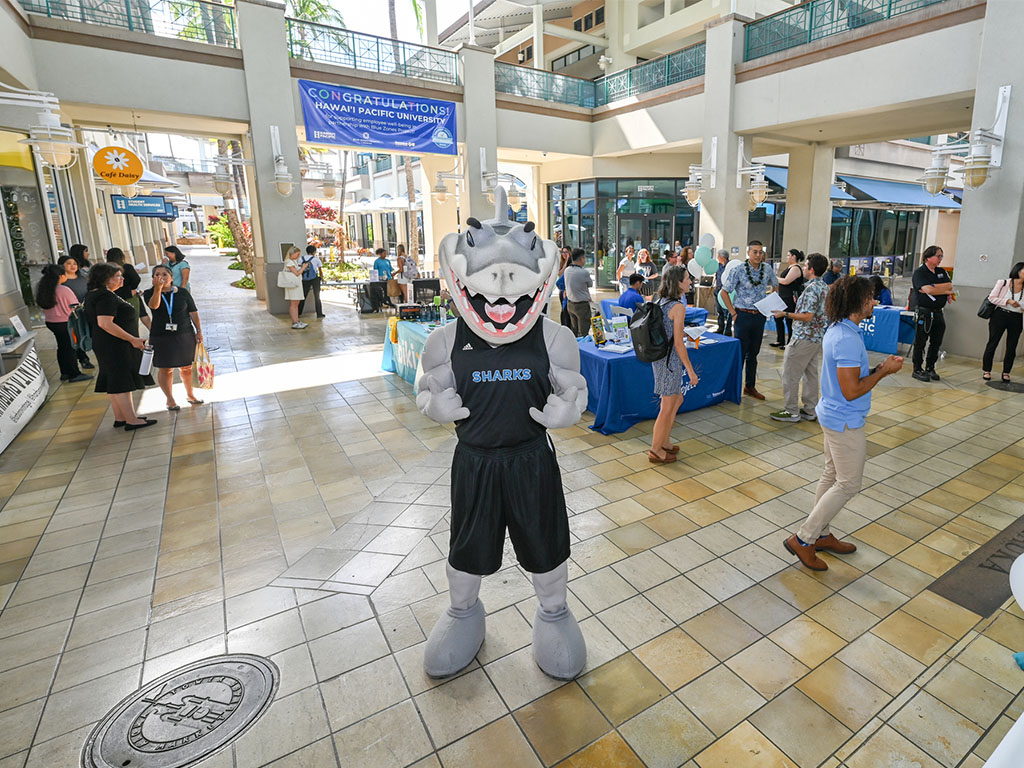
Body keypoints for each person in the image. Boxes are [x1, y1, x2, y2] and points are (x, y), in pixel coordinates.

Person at [784, 276, 903, 570]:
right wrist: (885, 371)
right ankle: (804, 538)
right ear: (858, 302)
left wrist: (876, 368)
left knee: (831, 473)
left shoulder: (840, 329)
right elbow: (851, 391)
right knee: (849, 483)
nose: (874, 302)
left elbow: (849, 381)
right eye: (870, 297)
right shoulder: (847, 337)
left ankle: (821, 533)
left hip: (833, 412)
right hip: (845, 419)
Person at [83, 262, 156, 431]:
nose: (122, 279)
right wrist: (132, 339)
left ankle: (121, 416)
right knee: (121, 380)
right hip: (114, 344)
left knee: (114, 379)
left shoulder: (96, 294)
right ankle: (131, 419)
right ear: (105, 279)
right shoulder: (105, 297)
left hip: (107, 343)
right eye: (117, 276)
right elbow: (105, 323)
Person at [770, 253, 829, 423]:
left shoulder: (811, 289)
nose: (803, 268)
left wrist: (785, 313)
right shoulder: (824, 287)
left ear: (811, 269)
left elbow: (808, 316)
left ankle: (791, 411)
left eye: (805, 266)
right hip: (815, 338)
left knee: (790, 374)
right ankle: (810, 409)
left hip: (803, 337)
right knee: (811, 375)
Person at [649, 266, 700, 464]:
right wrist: (691, 370)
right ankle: (655, 449)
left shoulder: (662, 302)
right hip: (670, 362)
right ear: (678, 283)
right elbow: (679, 344)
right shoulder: (678, 307)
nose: (690, 282)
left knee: (676, 399)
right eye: (687, 279)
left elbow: (669, 333)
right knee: (667, 407)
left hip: (662, 359)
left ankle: (665, 441)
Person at [720, 240, 778, 400]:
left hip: (759, 316)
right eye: (755, 252)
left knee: (754, 353)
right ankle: (732, 388)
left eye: (760, 252)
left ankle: (750, 386)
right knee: (740, 353)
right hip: (742, 315)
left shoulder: (767, 269)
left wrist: (771, 303)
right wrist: (732, 312)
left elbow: (776, 285)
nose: (758, 255)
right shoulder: (739, 270)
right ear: (748, 253)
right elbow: (724, 292)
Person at [146, 264, 204, 411]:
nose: (161, 277)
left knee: (186, 367)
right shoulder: (149, 293)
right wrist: (158, 289)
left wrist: (199, 331)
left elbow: (193, 312)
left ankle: (191, 394)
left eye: (165, 274)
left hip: (184, 333)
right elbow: (154, 306)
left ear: (172, 278)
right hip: (161, 336)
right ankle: (170, 399)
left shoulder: (183, 293)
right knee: (166, 369)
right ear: (153, 278)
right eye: (157, 275)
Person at [35, 264, 91, 383]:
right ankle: (74, 373)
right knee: (70, 347)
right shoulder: (63, 289)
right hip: (65, 322)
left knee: (62, 347)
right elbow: (75, 306)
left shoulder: (45, 289)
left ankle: (65, 372)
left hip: (52, 322)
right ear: (60, 276)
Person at [910, 245, 953, 382]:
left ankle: (930, 367)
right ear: (929, 257)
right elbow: (927, 290)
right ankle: (917, 368)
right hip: (924, 312)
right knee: (920, 342)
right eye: (938, 256)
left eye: (942, 256)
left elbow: (949, 286)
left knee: (936, 342)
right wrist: (941, 289)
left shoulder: (941, 271)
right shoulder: (920, 272)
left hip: (938, 312)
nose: (940, 259)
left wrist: (937, 288)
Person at [982, 261, 1024, 382]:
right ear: (1018, 271)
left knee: (1012, 346)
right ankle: (987, 370)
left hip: (1017, 318)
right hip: (1000, 315)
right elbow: (992, 298)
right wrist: (1008, 301)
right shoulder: (1004, 282)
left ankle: (1006, 372)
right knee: (993, 342)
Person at [58, 254, 94, 370]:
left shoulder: (83, 277)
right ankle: (83, 359)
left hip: (84, 310)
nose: (72, 266)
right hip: (69, 313)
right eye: (69, 263)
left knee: (86, 333)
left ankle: (86, 353)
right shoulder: (61, 281)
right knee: (75, 336)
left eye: (74, 264)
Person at [772, 248, 805, 348]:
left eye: (788, 255)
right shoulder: (789, 267)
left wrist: (775, 278)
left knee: (789, 320)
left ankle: (790, 342)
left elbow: (786, 281)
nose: (786, 257)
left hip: (790, 298)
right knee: (778, 318)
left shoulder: (795, 268)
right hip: (783, 296)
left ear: (793, 257)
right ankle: (780, 339)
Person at [563, 249, 593, 337]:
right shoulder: (583, 272)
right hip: (582, 306)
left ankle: (574, 348)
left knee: (574, 329)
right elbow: (590, 284)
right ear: (581, 259)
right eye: (584, 258)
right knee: (583, 332)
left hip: (570, 304)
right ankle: (582, 349)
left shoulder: (567, 270)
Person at [105, 247, 142, 315]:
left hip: (113, 296)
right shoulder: (127, 267)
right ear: (122, 257)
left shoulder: (105, 269)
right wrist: (131, 289)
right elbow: (136, 279)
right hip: (128, 297)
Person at [282, 246, 307, 329]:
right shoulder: (289, 262)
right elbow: (296, 273)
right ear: (292, 253)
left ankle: (297, 320)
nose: (298, 256)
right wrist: (303, 268)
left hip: (296, 284)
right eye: (297, 254)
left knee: (296, 303)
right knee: (293, 304)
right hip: (293, 285)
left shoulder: (293, 261)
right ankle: (295, 322)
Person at [298, 244, 325, 319]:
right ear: (314, 252)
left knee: (303, 296)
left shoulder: (301, 259)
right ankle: (319, 314)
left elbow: (299, 268)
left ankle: (298, 313)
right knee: (317, 296)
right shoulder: (316, 259)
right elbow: (320, 270)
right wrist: (322, 278)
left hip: (304, 279)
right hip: (314, 279)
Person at [714, 249, 732, 336]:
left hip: (726, 291)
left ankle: (727, 330)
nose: (717, 258)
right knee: (719, 311)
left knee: (727, 312)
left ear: (722, 257)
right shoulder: (718, 266)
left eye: (718, 256)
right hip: (718, 289)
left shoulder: (730, 266)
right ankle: (720, 328)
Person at [556, 246, 572, 328]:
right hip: (562, 289)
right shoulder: (561, 263)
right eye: (563, 252)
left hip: (570, 289)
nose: (564, 254)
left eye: (566, 252)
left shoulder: (573, 263)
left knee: (568, 309)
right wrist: (566, 261)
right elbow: (560, 274)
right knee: (563, 309)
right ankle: (564, 325)